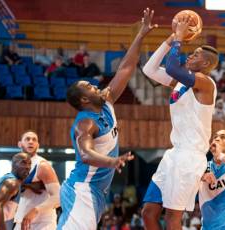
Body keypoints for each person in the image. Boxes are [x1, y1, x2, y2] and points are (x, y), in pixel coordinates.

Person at [57, 8, 157, 229]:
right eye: (89, 86)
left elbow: (126, 68)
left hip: (96, 191)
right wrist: (112, 161)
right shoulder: (86, 122)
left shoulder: (107, 100)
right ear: (84, 100)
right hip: (82, 187)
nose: (95, 85)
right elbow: (85, 153)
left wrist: (141, 34)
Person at [141, 15, 219, 230]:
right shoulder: (180, 81)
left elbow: (173, 68)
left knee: (172, 218)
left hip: (190, 157)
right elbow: (149, 69)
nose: (190, 55)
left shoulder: (205, 83)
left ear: (204, 64)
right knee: (148, 213)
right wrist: (172, 37)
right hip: (174, 154)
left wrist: (179, 39)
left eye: (194, 55)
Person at [14, 131, 61, 230]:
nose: (31, 142)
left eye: (34, 140)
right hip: (22, 221)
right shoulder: (17, 165)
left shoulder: (42, 165)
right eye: (27, 139)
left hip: (42, 223)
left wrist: (35, 210)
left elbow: (58, 197)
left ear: (38, 145)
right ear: (20, 144)